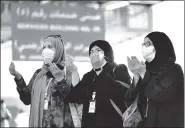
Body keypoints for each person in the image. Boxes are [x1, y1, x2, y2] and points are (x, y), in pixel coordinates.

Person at [9, 35, 74, 127]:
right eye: (44, 47)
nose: (46, 50)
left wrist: (60, 79)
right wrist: (18, 77)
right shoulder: (39, 74)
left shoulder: (68, 72)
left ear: (59, 50)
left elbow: (73, 98)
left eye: (50, 47)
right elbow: (26, 99)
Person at [66, 40, 131, 128]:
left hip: (112, 123)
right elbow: (77, 97)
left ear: (106, 53)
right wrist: (74, 71)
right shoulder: (88, 76)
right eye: (91, 52)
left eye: (98, 50)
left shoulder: (119, 69)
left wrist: (99, 70)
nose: (94, 54)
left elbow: (120, 93)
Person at [126, 31, 184, 127]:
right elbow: (129, 98)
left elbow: (158, 94)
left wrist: (142, 73)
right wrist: (136, 76)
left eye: (148, 44)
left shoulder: (174, 70)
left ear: (160, 45)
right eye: (143, 44)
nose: (144, 47)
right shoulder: (146, 69)